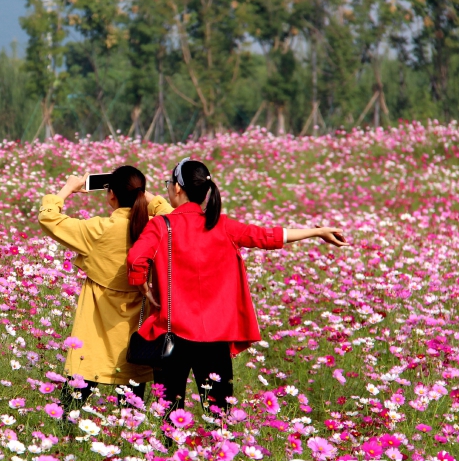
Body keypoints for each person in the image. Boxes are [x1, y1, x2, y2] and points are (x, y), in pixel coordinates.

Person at [127, 157, 347, 416]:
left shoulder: (162, 226)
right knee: (219, 414)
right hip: (215, 338)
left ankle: (167, 452)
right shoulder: (222, 225)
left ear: (177, 188)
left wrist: (143, 286)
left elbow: (135, 259)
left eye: (169, 184)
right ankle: (218, 454)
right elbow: (269, 236)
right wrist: (315, 232)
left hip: (173, 334)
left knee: (169, 413)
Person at [38, 166, 174, 412]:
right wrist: (148, 199)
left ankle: (64, 435)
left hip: (96, 328)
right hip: (136, 336)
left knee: (72, 401)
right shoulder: (156, 227)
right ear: (140, 194)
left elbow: (48, 218)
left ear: (111, 195)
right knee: (132, 412)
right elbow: (173, 215)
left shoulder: (97, 229)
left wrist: (68, 188)